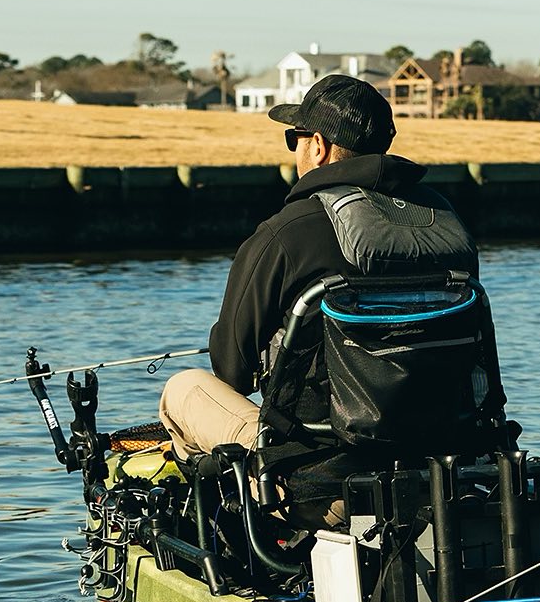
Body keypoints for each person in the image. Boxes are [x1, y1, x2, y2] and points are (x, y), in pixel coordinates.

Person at [159, 73, 478, 460]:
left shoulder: (287, 232)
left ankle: (228, 511)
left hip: (317, 473)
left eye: (294, 137)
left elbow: (232, 371)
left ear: (318, 146)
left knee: (184, 388)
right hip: (443, 461)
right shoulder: (443, 221)